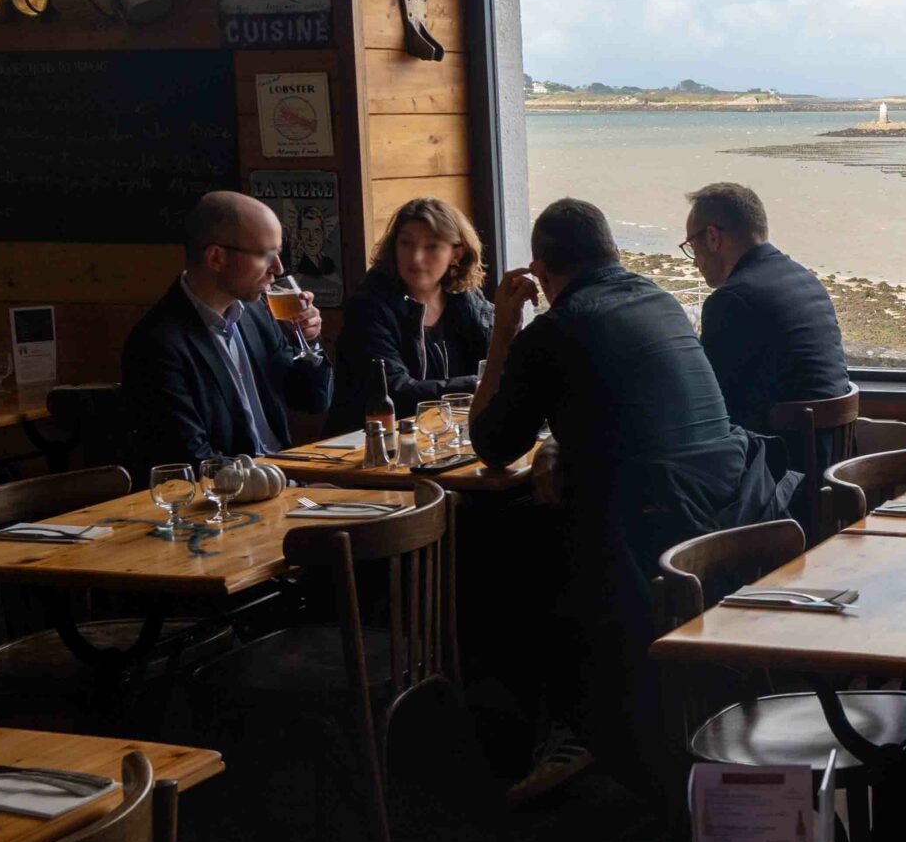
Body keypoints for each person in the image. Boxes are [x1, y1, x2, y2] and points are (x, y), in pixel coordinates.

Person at [470, 197, 786, 797]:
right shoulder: (658, 300)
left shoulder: (556, 328)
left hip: (651, 528)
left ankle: (550, 734)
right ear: (612, 253)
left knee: (497, 554)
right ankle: (578, 726)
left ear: (540, 271)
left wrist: (503, 330)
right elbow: (627, 408)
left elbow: (490, 444)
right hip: (732, 504)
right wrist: (564, 443)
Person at [122, 190, 335, 473]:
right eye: (266, 254)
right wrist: (275, 482)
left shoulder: (258, 313)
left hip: (285, 478)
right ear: (216, 258)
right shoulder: (157, 344)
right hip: (227, 500)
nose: (278, 268)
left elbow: (313, 400)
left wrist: (308, 341)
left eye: (278, 253)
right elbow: (190, 457)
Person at [682, 182, 849, 481]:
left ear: (712, 237)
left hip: (775, 475)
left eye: (692, 247)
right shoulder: (806, 281)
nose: (694, 261)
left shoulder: (733, 299)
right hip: (832, 465)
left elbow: (711, 406)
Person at [329, 197, 495, 435]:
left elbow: (501, 367)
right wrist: (478, 384)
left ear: (456, 254)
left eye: (431, 246)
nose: (416, 257)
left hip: (446, 438)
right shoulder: (368, 307)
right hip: (371, 447)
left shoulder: (467, 300)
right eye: (406, 244)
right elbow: (395, 392)